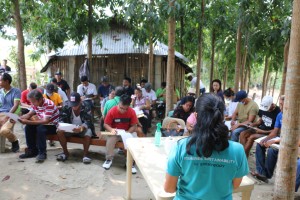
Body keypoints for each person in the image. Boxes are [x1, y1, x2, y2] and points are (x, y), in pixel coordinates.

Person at [164, 94, 249, 199]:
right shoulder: (238, 150)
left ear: (195, 115)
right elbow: (235, 185)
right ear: (222, 116)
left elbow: (169, 188)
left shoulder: (181, 147)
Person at [18, 89, 60, 162]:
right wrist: (19, 118)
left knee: (40, 129)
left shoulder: (48, 104)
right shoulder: (36, 104)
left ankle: (42, 152)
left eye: (33, 101)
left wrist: (27, 121)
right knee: (28, 127)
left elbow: (46, 121)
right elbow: (29, 114)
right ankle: (32, 151)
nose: (32, 103)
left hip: (53, 125)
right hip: (43, 123)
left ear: (40, 99)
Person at [250, 95, 284, 183]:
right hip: (279, 138)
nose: (281, 107)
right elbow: (275, 131)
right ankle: (261, 172)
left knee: (272, 150)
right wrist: (266, 139)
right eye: (280, 104)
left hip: (288, 140)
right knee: (260, 145)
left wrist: (274, 140)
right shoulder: (280, 115)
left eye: (283, 104)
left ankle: (267, 175)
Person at [102, 94, 138, 174]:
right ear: (119, 103)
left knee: (134, 140)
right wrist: (111, 129)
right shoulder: (112, 111)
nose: (122, 110)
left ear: (128, 106)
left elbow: (134, 126)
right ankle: (108, 159)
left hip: (127, 132)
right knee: (110, 140)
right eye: (121, 108)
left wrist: (128, 132)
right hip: (116, 132)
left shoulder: (131, 111)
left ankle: (130, 163)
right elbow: (106, 124)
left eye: (125, 109)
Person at [56, 92, 95, 164]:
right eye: (72, 105)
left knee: (88, 133)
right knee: (59, 131)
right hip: (70, 128)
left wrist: (81, 128)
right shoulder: (66, 106)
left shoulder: (86, 106)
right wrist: (61, 125)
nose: (74, 107)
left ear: (80, 101)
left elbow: (89, 121)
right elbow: (61, 118)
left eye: (76, 105)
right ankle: (65, 152)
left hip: (83, 128)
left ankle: (85, 155)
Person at [0, 73, 20, 152]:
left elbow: (15, 105)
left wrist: (6, 117)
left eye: (0, 80)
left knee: (4, 131)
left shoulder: (16, 91)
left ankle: (14, 141)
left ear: (7, 81)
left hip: (12, 114)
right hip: (1, 113)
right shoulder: (0, 91)